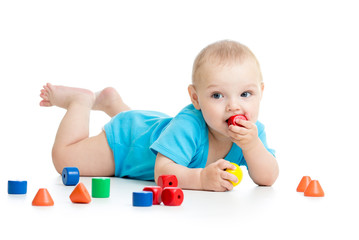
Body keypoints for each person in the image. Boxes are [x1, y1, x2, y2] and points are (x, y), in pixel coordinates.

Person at [39, 40, 279, 192]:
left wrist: (253, 146)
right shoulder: (190, 125)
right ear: (195, 99)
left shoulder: (253, 133)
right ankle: (80, 101)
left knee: (151, 129)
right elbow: (162, 172)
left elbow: (268, 178)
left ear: (261, 92)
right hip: (127, 144)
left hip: (151, 126)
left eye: (246, 94)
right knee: (64, 159)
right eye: (217, 95)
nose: (234, 107)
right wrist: (201, 179)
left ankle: (113, 103)